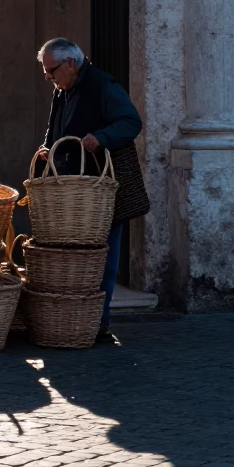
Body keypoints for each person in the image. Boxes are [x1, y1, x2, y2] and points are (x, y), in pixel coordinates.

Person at [36, 38, 143, 340]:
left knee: (102, 259)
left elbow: (131, 121)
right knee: (72, 260)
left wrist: (102, 136)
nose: (49, 78)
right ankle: (72, 322)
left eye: (51, 71)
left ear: (70, 63)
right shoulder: (62, 90)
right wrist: (49, 148)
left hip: (98, 192)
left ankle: (99, 324)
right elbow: (55, 128)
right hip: (69, 192)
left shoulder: (104, 86)